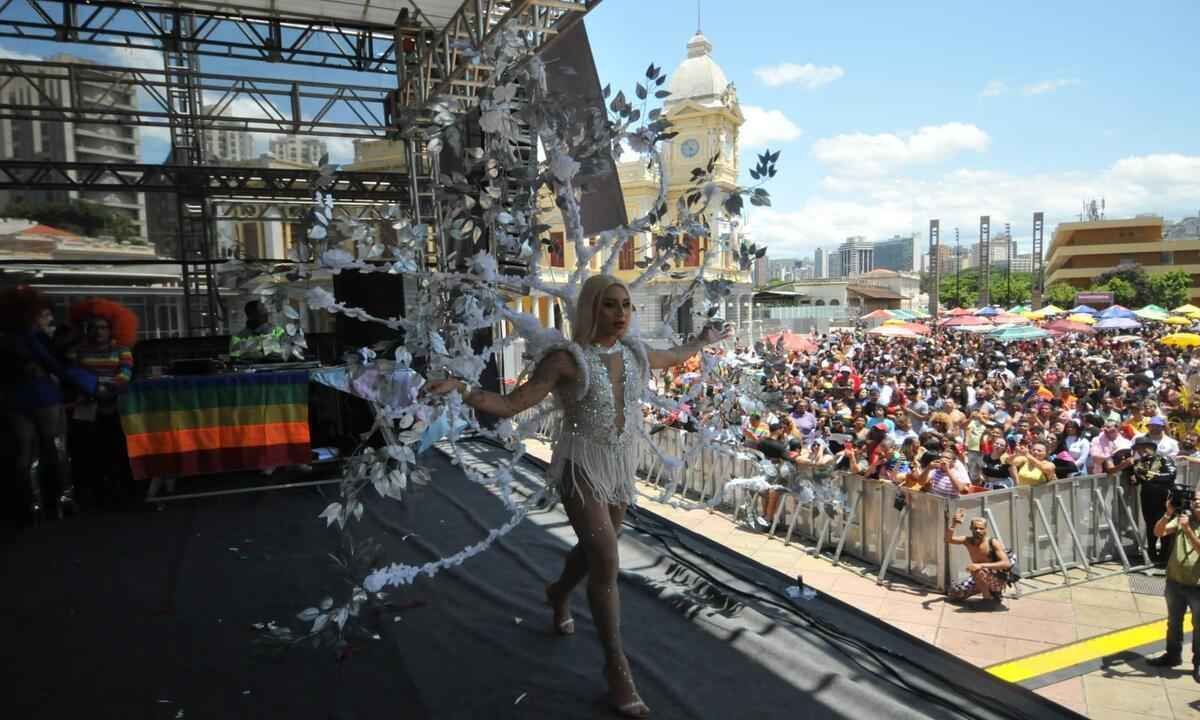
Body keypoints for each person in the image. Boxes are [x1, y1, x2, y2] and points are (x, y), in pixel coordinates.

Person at [426, 274, 730, 718]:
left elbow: (676, 355)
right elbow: (512, 405)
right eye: (610, 305)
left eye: (626, 305)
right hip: (581, 467)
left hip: (620, 466)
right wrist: (464, 389)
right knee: (606, 558)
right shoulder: (567, 360)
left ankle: (558, 592)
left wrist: (702, 339)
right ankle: (616, 666)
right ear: (591, 309)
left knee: (592, 554)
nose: (621, 313)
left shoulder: (635, 351)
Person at [0, 287, 84, 521]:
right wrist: (85, 384)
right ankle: (64, 500)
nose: (49, 320)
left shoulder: (6, 338)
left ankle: (33, 505)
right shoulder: (32, 337)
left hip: (14, 400)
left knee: (26, 454)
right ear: (30, 314)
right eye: (45, 315)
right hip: (43, 396)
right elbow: (54, 365)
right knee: (57, 447)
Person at [67, 299, 136, 507]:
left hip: (112, 408)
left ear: (112, 329)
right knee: (89, 453)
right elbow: (71, 376)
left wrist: (97, 386)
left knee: (116, 450)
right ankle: (94, 493)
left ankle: (120, 491)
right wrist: (97, 386)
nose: (98, 332)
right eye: (93, 327)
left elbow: (124, 377)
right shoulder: (77, 351)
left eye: (103, 327)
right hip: (85, 409)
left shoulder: (122, 350)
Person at [1145, 487, 1200, 683]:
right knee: (1173, 622)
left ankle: (1198, 664)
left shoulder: (1186, 524)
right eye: (1195, 499)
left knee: (1198, 626)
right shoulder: (1184, 518)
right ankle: (1172, 655)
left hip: (1197, 586)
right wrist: (1168, 514)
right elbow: (1158, 531)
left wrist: (1187, 530)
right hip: (1175, 581)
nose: (1197, 502)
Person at [1118, 435, 1178, 566]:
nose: (1140, 451)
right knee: (1150, 525)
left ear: (1150, 447)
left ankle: (1165, 555)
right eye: (1138, 449)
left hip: (1164, 496)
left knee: (1164, 524)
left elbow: (1170, 475)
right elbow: (1137, 480)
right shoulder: (1140, 463)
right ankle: (1151, 554)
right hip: (1147, 496)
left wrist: (1148, 475)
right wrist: (1133, 476)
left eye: (1141, 448)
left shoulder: (1163, 458)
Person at [945, 508, 1013, 605]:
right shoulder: (967, 541)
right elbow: (948, 540)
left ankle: (988, 600)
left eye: (981, 528)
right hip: (979, 578)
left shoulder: (992, 542)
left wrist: (981, 565)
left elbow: (1006, 563)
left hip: (997, 580)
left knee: (976, 570)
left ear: (986, 529)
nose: (978, 531)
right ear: (971, 528)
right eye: (975, 528)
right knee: (955, 594)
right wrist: (954, 524)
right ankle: (986, 592)